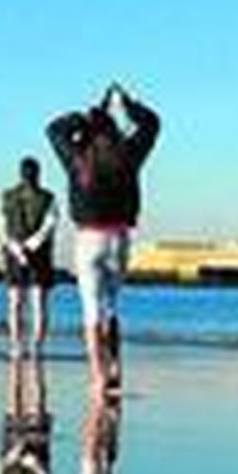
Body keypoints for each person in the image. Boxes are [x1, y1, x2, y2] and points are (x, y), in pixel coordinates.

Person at [48, 83, 161, 399]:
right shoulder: (128, 154)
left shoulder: (77, 156)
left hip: (89, 239)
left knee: (91, 312)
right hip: (120, 238)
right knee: (110, 308)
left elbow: (54, 129)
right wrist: (128, 105)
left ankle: (98, 378)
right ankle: (115, 369)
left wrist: (85, 118)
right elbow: (152, 123)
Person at [1, 156, 59, 355]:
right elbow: (49, 226)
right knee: (31, 303)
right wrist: (24, 246)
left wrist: (20, 247)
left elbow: (2, 227)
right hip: (29, 252)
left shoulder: (9, 196)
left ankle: (25, 346)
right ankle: (28, 346)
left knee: (22, 303)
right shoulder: (46, 197)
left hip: (23, 253)